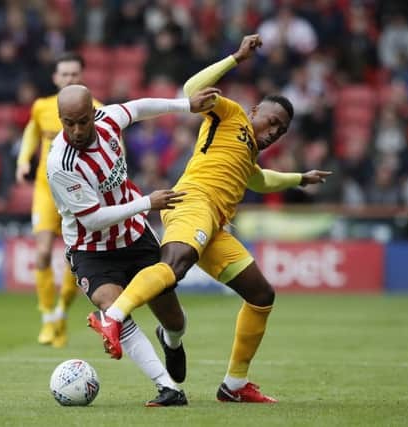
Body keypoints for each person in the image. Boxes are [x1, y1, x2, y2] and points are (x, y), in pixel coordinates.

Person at [87, 34, 332, 403]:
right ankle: (114, 317)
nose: (274, 132)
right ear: (255, 112)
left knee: (261, 294)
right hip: (192, 202)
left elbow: (261, 179)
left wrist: (300, 178)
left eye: (281, 130)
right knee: (177, 264)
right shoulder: (230, 113)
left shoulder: (248, 155)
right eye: (272, 121)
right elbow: (191, 88)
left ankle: (233, 386)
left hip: (215, 223)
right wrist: (236, 57)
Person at [46, 84, 220, 406]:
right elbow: (93, 219)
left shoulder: (109, 120)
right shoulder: (62, 164)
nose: (77, 130)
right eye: (68, 122)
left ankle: (171, 341)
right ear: (60, 119)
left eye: (83, 121)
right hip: (91, 250)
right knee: (114, 311)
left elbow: (139, 108)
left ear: (92, 115)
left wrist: (187, 106)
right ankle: (168, 387)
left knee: (174, 320)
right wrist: (146, 203)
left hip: (135, 237)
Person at [16, 53, 101, 348]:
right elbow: (32, 131)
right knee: (41, 254)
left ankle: (62, 312)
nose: (69, 79)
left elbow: (115, 149)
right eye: (64, 74)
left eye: (75, 74)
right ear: (55, 78)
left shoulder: (97, 111)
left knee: (74, 263)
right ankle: (48, 319)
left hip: (78, 194)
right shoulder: (41, 107)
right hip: (45, 190)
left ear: (83, 77)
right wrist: (23, 160)